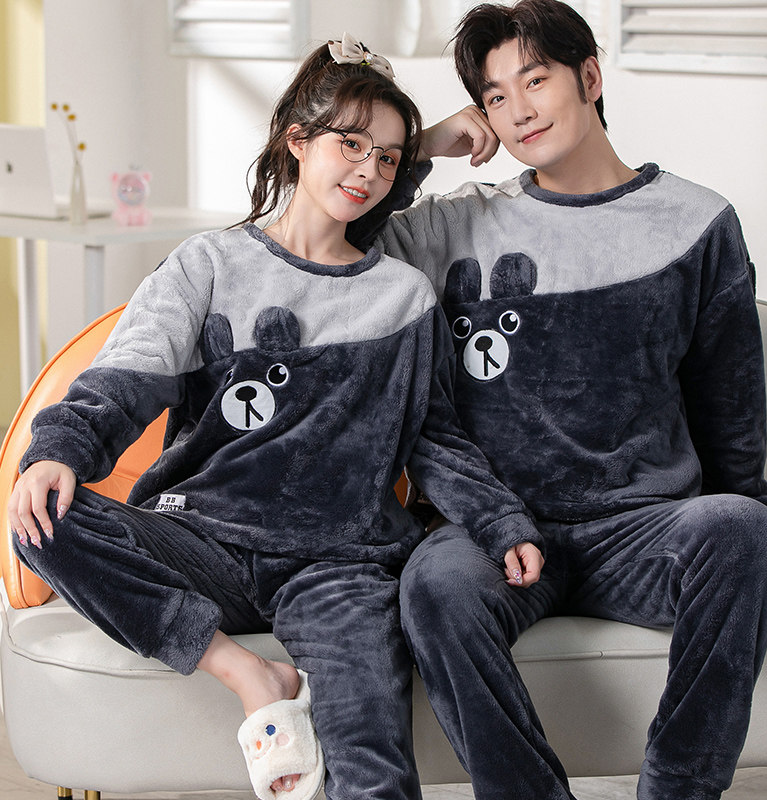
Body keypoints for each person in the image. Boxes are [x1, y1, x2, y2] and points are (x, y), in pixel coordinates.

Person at [7, 34, 541, 800]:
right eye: (350, 145)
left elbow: (435, 438)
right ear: (297, 140)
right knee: (39, 519)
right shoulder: (208, 264)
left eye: (388, 158)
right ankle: (248, 673)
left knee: (371, 759)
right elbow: (129, 371)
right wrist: (60, 448)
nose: (369, 170)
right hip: (202, 538)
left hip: (340, 561)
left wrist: (499, 522)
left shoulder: (403, 295)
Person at [367, 2, 767, 799]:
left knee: (744, 531)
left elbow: (729, 406)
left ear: (589, 77)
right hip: (499, 535)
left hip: (644, 529)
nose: (518, 110)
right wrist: (417, 145)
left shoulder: (698, 223)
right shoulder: (455, 227)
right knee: (435, 587)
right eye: (495, 97)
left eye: (535, 80)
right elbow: (321, 233)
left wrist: (754, 534)